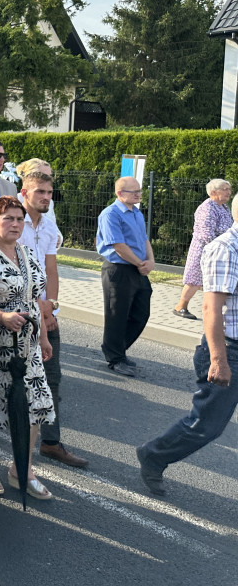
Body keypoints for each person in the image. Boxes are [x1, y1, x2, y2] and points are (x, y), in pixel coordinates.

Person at [136, 195, 238, 496]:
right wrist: (219, 360)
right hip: (228, 349)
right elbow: (210, 309)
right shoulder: (226, 249)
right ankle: (154, 454)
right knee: (207, 425)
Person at [0, 197, 55, 500]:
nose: (15, 224)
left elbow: (34, 299)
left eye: (19, 219)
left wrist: (43, 337)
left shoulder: (27, 251)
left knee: (34, 406)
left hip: (27, 346)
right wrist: (1, 317)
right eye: (8, 218)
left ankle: (22, 470)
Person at [17, 172, 88, 469]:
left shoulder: (48, 226)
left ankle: (50, 442)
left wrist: (51, 309)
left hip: (45, 313)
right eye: (40, 192)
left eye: (49, 192)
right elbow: (14, 272)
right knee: (9, 381)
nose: (46, 197)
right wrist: (38, 308)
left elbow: (52, 270)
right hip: (17, 313)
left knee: (51, 380)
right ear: (25, 192)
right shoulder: (13, 222)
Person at [96, 177, 154, 376]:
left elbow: (144, 239)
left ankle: (116, 349)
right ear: (120, 193)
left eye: (139, 190)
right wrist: (139, 263)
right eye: (133, 191)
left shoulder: (136, 213)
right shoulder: (110, 214)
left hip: (137, 268)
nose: (139, 194)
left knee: (141, 313)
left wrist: (150, 261)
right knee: (117, 315)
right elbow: (118, 246)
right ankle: (115, 357)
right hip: (118, 269)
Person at [174, 179, 233, 320]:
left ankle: (217, 309)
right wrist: (219, 248)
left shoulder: (224, 207)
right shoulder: (207, 208)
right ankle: (180, 306)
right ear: (213, 192)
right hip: (205, 250)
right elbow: (207, 233)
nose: (228, 192)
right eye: (224, 189)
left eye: (229, 189)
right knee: (194, 280)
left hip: (220, 250)